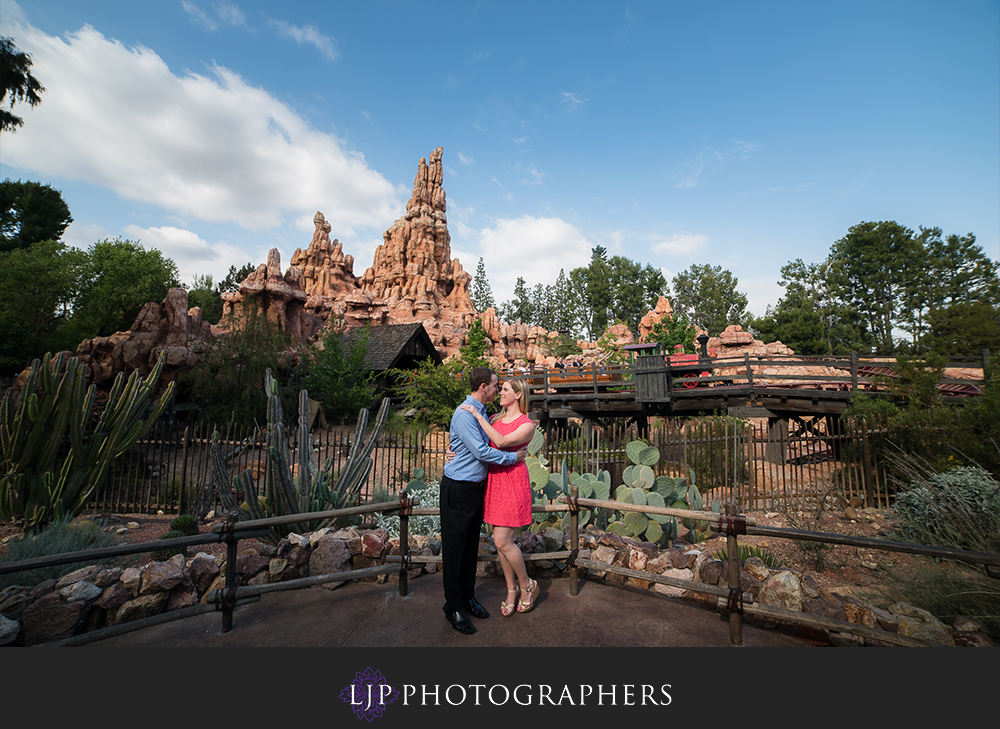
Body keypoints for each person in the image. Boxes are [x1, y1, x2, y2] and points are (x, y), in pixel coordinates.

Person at [440, 367, 526, 635]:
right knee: (454, 550)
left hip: (477, 489)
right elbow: (480, 451)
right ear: (482, 387)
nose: (497, 389)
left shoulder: (485, 415)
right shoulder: (466, 413)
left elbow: (486, 439)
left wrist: (452, 448)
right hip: (458, 488)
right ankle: (452, 607)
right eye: (495, 385)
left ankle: (468, 597)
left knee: (469, 549)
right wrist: (514, 459)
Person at [459, 377, 538, 617]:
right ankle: (511, 590)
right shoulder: (495, 419)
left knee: (504, 540)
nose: (499, 393)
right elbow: (478, 446)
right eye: (499, 388)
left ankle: (527, 585)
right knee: (498, 541)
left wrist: (476, 414)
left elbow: (502, 441)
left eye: (504, 390)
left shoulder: (527, 425)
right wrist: (454, 452)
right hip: (494, 483)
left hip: (513, 483)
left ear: (518, 395)